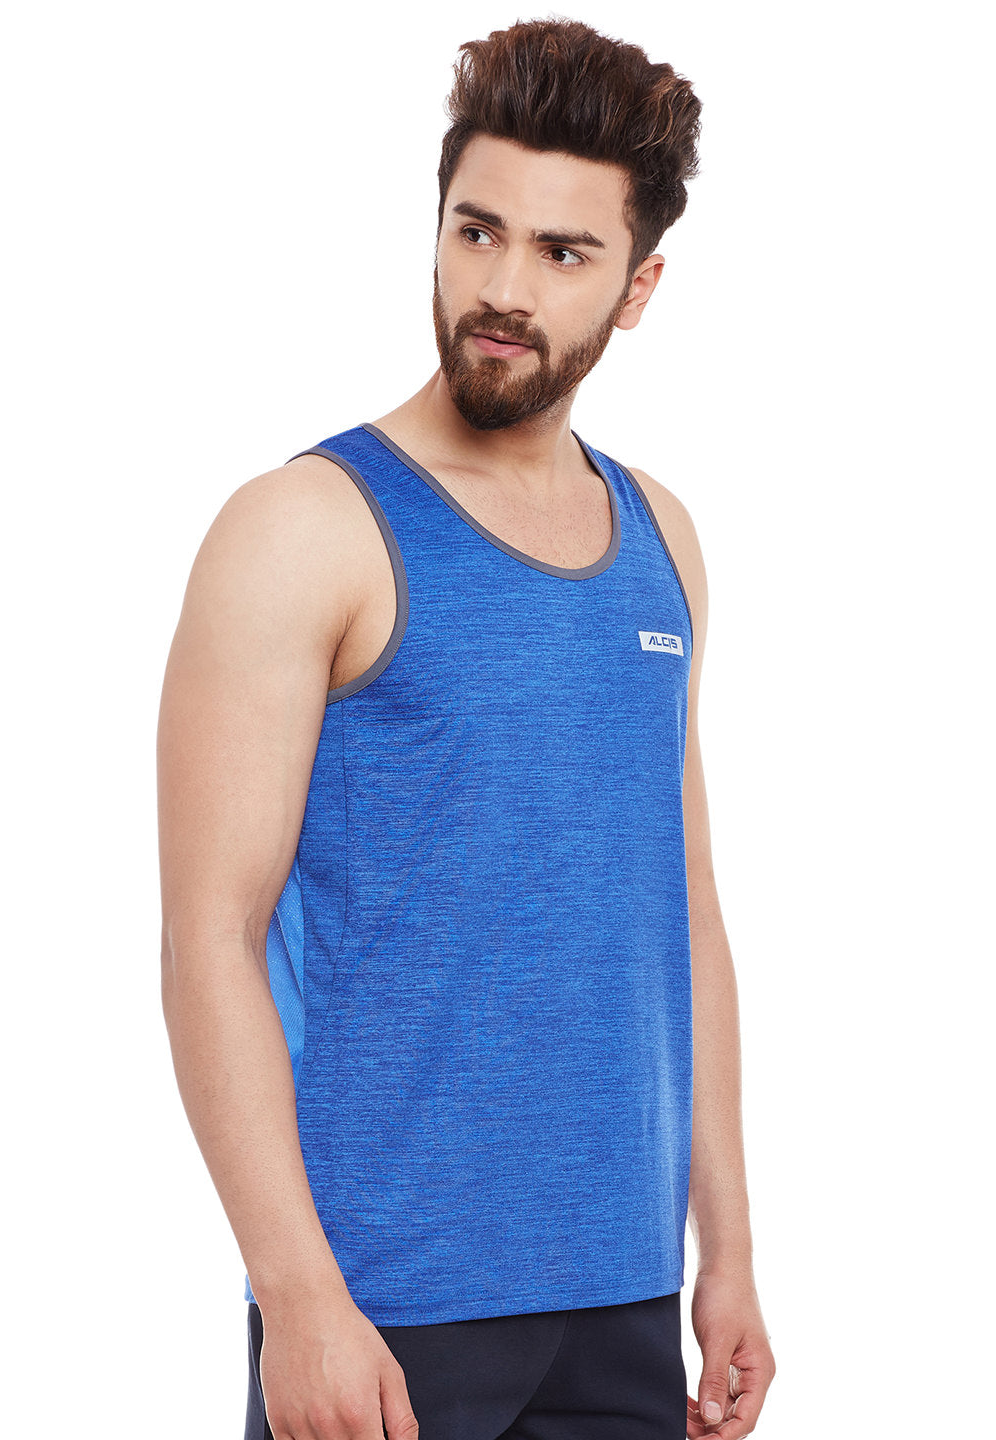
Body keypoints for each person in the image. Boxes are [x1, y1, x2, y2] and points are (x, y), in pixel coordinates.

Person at [157, 17, 775, 1440]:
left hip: (624, 1293)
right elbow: (208, 937)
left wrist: (728, 1250)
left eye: (562, 253)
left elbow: (680, 908)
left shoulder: (663, 543)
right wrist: (299, 1298)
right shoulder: (304, 529)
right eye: (476, 232)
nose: (502, 288)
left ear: (638, 287)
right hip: (384, 1309)